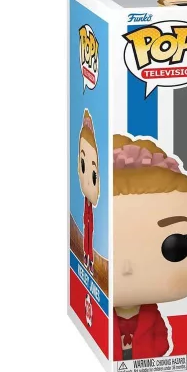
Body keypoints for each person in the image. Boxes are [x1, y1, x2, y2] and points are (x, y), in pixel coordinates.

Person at [113, 135, 187, 360]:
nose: (128, 268)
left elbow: (161, 337)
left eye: (176, 247)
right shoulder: (97, 312)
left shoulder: (151, 315)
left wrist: (158, 355)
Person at [78, 109, 100, 275]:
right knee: (87, 227)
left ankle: (89, 257)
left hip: (90, 205)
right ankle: (87, 255)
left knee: (89, 228)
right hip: (87, 203)